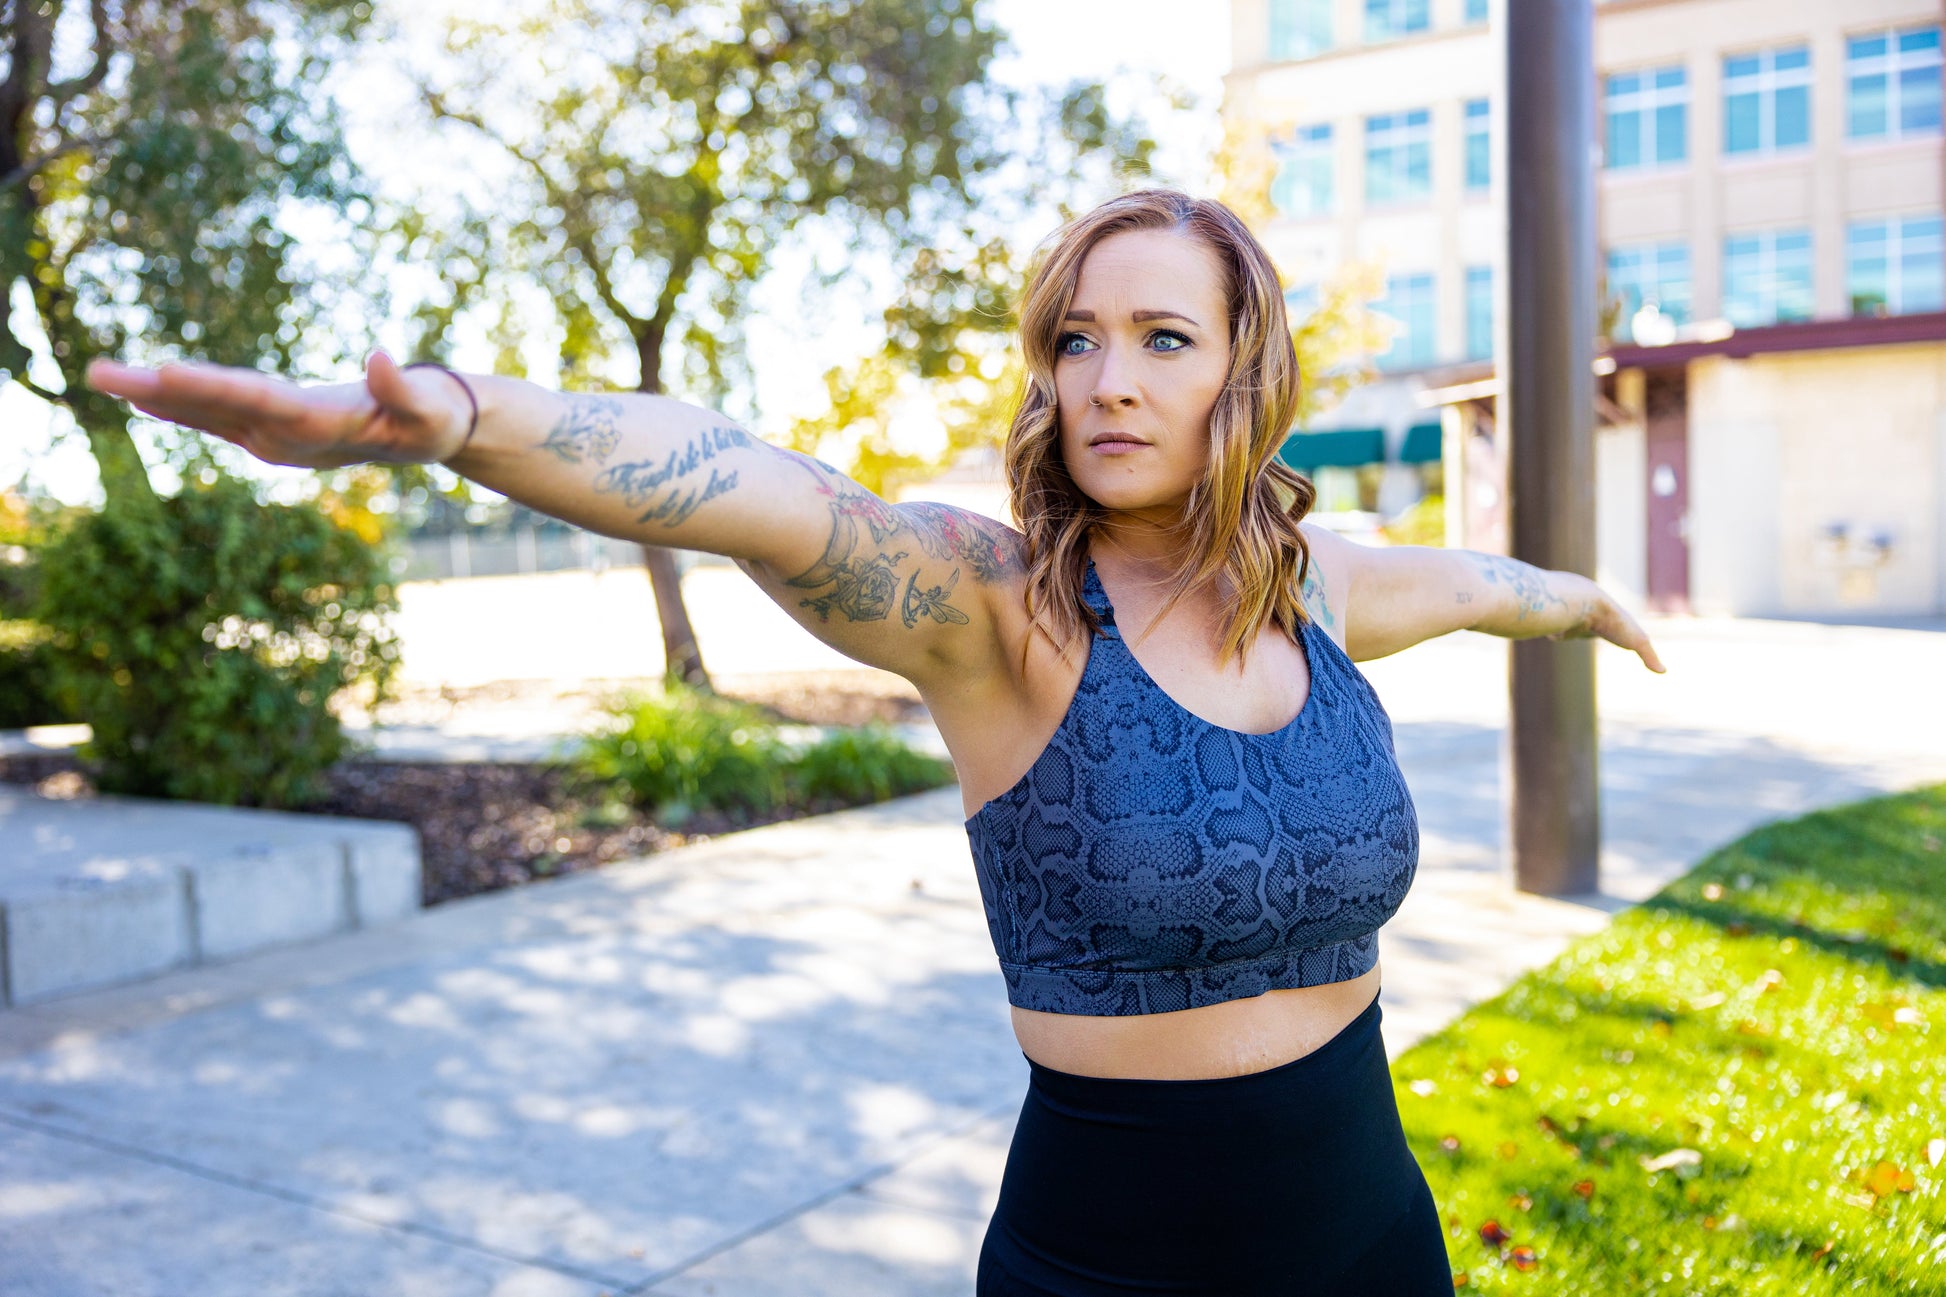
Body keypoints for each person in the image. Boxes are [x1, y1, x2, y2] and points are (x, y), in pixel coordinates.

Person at [86, 187, 1665, 1295]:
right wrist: (460, 417)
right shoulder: (996, 609)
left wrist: (1586, 597)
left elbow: (1480, 584)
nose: (1108, 381)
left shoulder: (1310, 587)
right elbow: (757, 488)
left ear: (1241, 369)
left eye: (1161, 338)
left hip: (1376, 1244)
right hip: (1111, 1267)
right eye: (1075, 340)